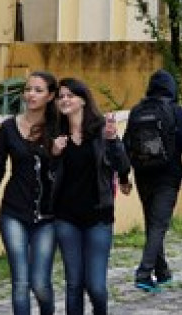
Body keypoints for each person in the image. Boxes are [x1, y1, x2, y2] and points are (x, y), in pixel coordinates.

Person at [0, 71, 58, 315]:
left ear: (50, 96)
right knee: (21, 283)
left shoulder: (58, 128)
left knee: (40, 284)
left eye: (38, 90)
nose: (31, 94)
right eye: (28, 89)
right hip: (13, 211)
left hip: (48, 216)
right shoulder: (8, 128)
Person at [50, 78, 130, 315]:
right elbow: (46, 175)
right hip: (66, 217)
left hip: (98, 217)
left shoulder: (101, 130)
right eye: (61, 97)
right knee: (74, 283)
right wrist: (53, 153)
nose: (65, 100)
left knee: (96, 286)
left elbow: (122, 166)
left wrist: (113, 140)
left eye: (70, 95)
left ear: (83, 100)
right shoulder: (55, 133)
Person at [124, 69, 182, 292]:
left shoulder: (137, 111)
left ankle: (162, 272)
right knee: (159, 224)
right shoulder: (176, 111)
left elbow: (126, 144)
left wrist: (124, 175)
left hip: (142, 173)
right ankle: (144, 273)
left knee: (153, 222)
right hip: (168, 175)